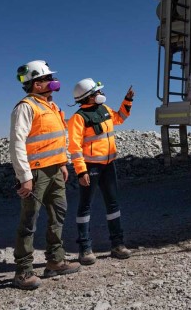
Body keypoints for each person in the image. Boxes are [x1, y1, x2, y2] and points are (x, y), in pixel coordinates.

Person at [9, 60, 81, 290]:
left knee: (58, 215)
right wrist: (24, 176)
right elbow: (17, 143)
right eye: (48, 79)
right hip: (36, 172)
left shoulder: (52, 106)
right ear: (37, 84)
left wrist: (62, 163)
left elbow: (56, 138)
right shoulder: (26, 107)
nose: (53, 82)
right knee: (29, 221)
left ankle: (55, 261)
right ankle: (23, 272)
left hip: (55, 169)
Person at [67, 78, 134, 265]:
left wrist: (127, 100)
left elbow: (120, 117)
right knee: (85, 206)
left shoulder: (104, 110)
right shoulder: (78, 118)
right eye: (96, 92)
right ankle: (85, 249)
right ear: (88, 97)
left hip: (108, 165)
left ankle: (117, 245)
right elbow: (75, 148)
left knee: (113, 205)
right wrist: (81, 171)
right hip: (90, 168)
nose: (100, 94)